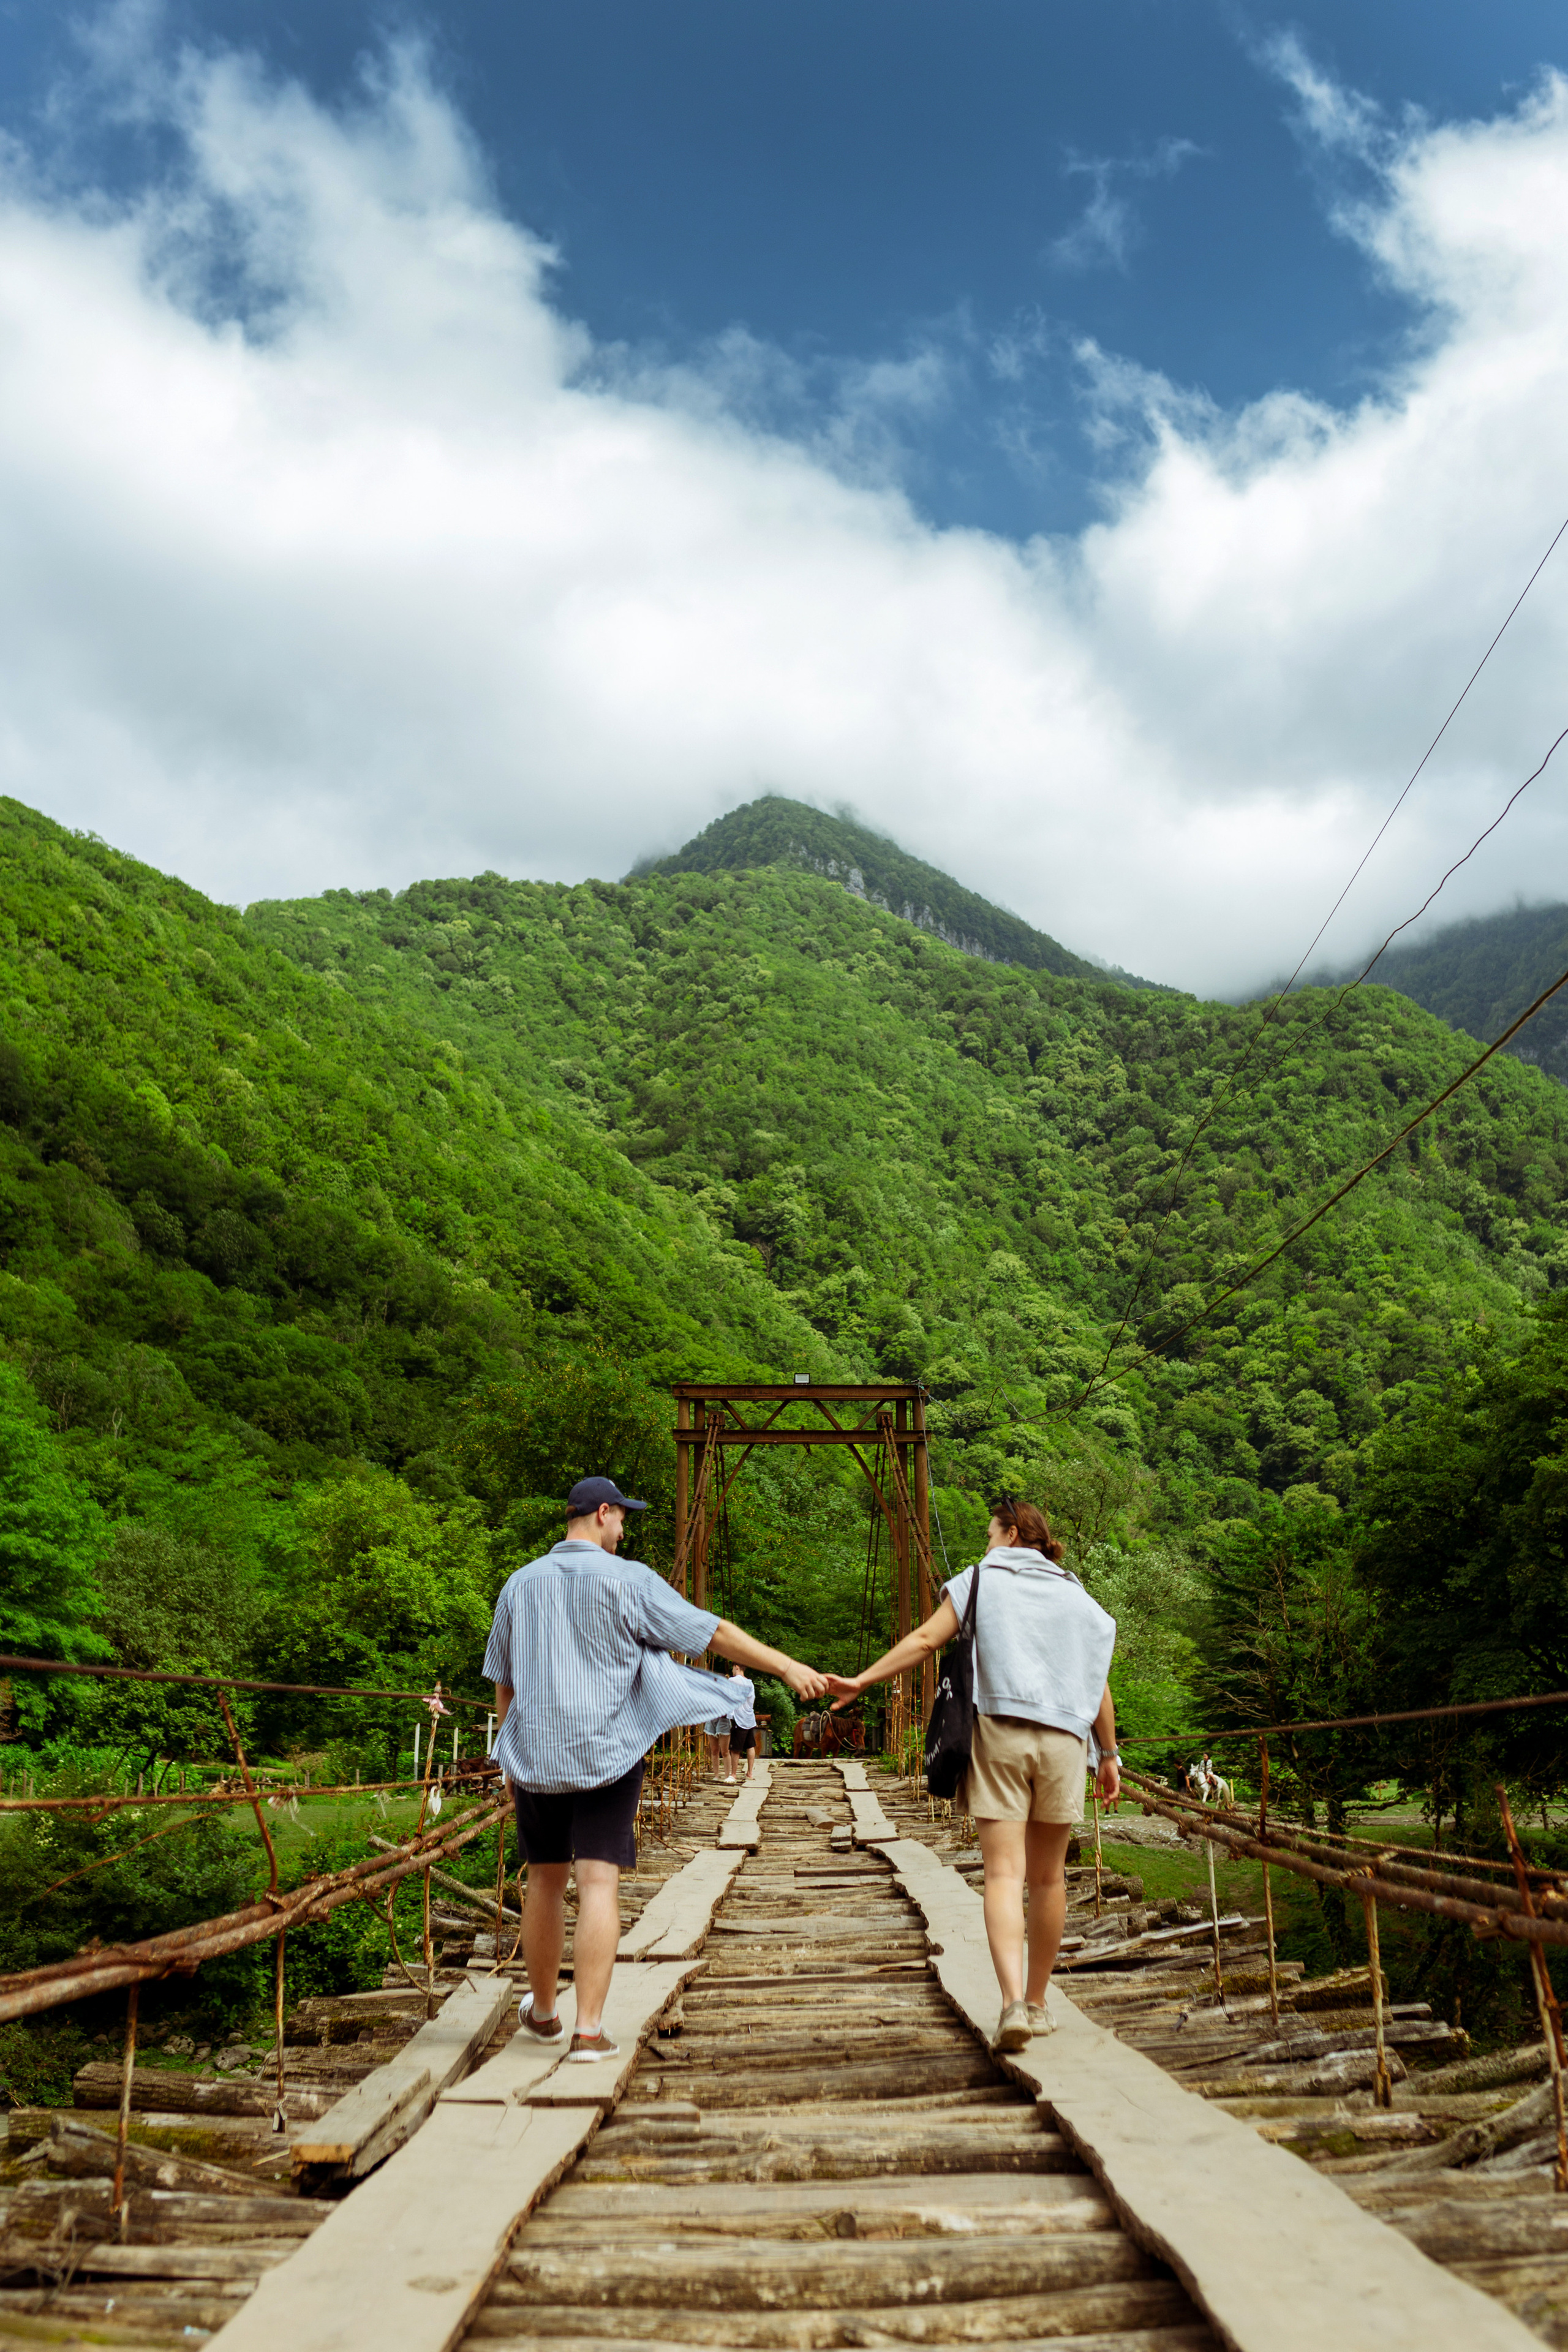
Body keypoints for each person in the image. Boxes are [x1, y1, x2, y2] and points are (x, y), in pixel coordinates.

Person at [486, 1476, 829, 2062]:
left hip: (537, 1755)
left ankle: (543, 2014)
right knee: (598, 1883)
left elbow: (505, 1682)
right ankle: (588, 2032)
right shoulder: (629, 1580)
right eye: (622, 1519)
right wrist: (786, 1665)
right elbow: (710, 1632)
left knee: (543, 1880)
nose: (625, 1529)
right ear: (601, 1514)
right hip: (608, 1752)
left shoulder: (519, 1584)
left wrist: (509, 1758)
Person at [826, 1495, 1117, 2054]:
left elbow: (925, 1640)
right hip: (1064, 1742)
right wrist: (1109, 1755)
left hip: (999, 1733)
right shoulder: (1075, 1592)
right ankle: (1037, 2002)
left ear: (1010, 1535)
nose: (985, 1544)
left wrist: (862, 1681)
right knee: (1049, 1879)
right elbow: (1096, 1681)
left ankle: (1010, 2004)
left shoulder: (981, 1579)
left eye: (989, 1534)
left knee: (1005, 1875)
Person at [724, 1662, 758, 1784]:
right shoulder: (750, 1683)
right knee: (750, 1745)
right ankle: (750, 1773)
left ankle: (733, 1775)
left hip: (739, 1718)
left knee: (735, 1748)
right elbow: (752, 1700)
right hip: (749, 1718)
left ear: (737, 1667)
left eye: (733, 1668)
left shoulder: (733, 1681)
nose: (733, 1670)